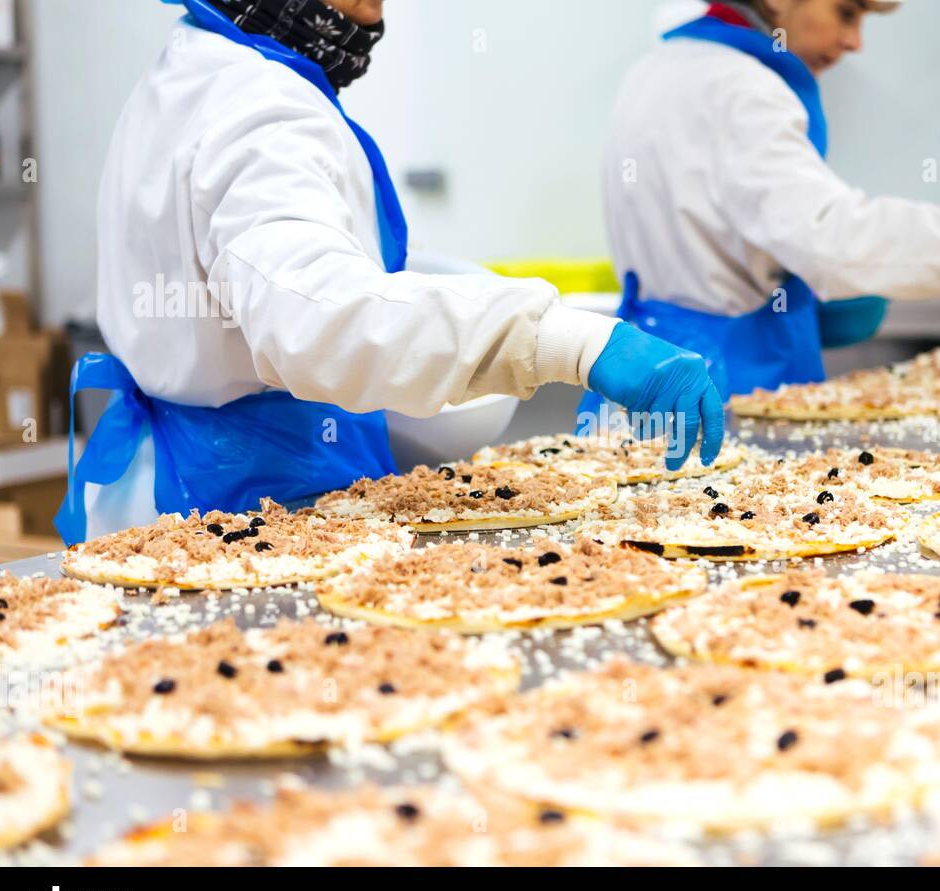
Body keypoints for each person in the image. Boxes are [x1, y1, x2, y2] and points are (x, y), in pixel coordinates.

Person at [55, 0, 724, 544]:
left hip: (197, 477)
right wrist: (571, 343)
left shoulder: (200, 62)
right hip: (243, 504)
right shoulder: (261, 108)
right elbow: (320, 316)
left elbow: (323, 269)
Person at [583, 0, 940, 411]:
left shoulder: (658, 69)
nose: (854, 42)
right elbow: (838, 241)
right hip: (728, 386)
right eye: (847, 13)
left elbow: (715, 235)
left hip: (651, 375)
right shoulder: (746, 88)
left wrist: (796, 296)